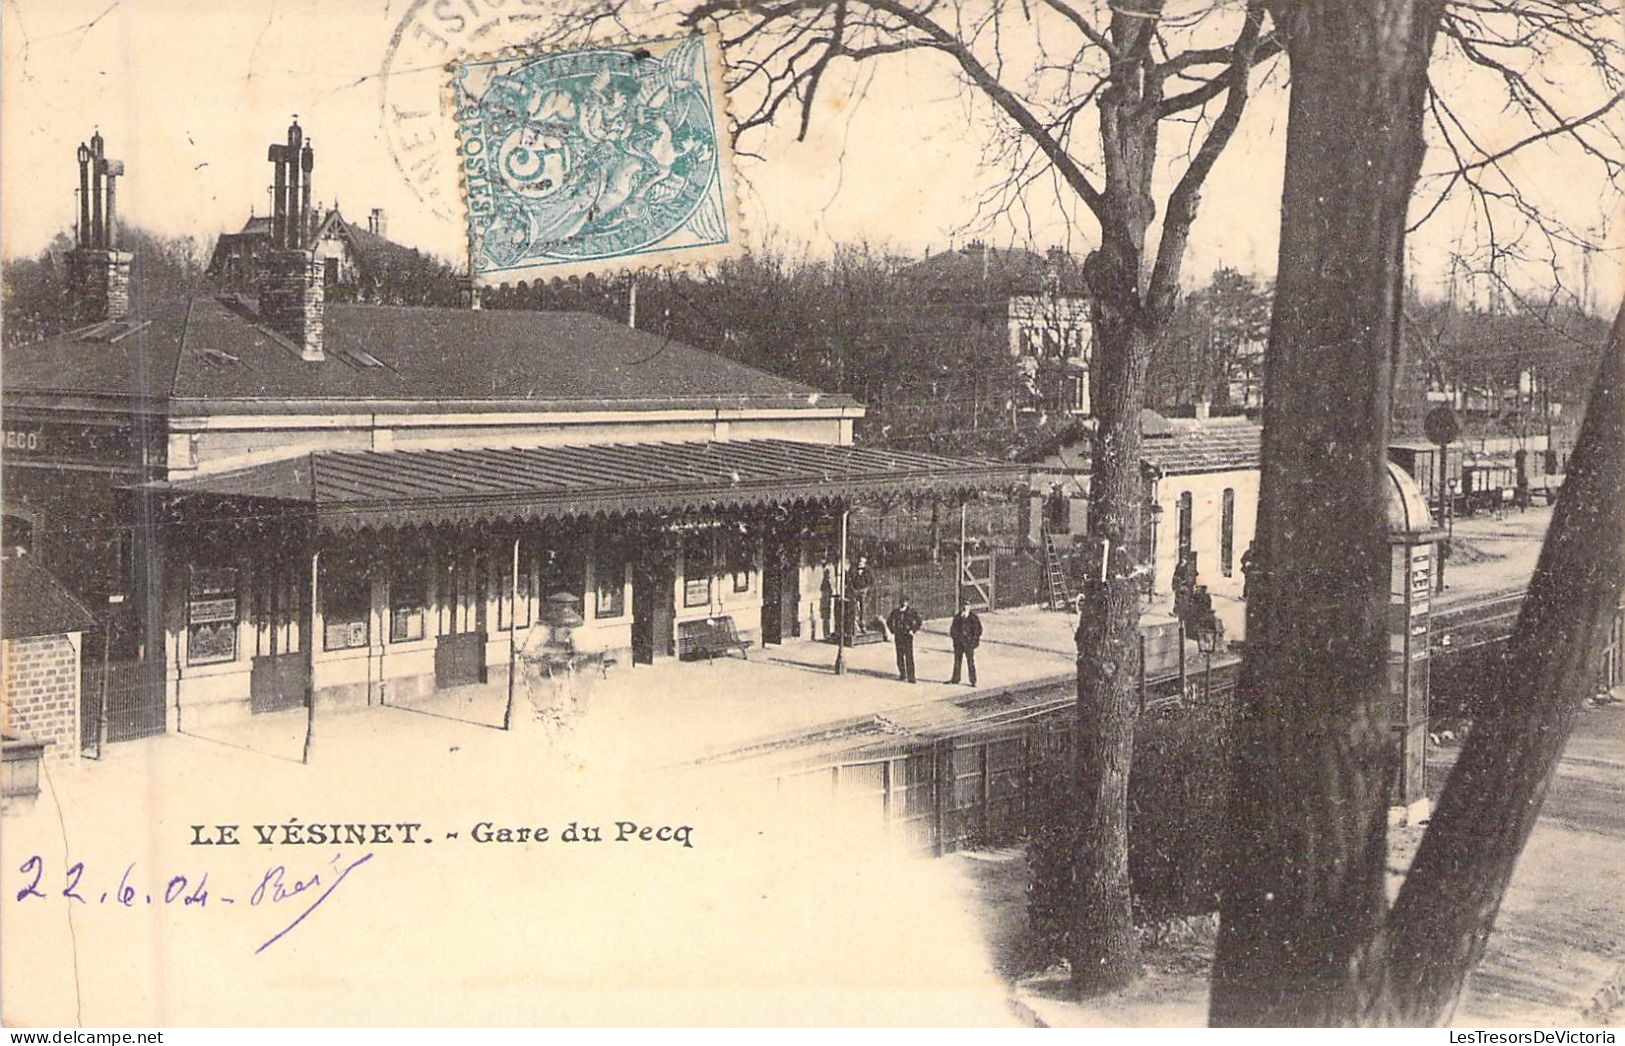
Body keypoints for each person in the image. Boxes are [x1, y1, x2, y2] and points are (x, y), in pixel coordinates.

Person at [886, 596, 922, 683]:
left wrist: (913, 630)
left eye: (905, 602)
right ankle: (902, 674)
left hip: (907, 636)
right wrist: (893, 630)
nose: (904, 603)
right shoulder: (895, 612)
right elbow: (889, 622)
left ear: (907, 603)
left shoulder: (911, 611)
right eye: (902, 601)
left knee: (909, 656)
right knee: (900, 656)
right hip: (899, 636)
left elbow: (919, 621)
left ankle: (911, 676)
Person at [948, 597, 983, 686]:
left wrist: (974, 642)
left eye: (967, 606)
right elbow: (953, 630)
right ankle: (955, 678)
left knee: (970, 662)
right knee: (957, 661)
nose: (965, 608)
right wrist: (955, 639)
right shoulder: (957, 617)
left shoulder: (973, 618)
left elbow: (978, 630)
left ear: (970, 607)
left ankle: (973, 680)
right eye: (964, 606)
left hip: (968, 643)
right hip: (959, 643)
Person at [848, 555, 875, 636]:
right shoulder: (853, 569)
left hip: (863, 591)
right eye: (860, 561)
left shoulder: (868, 571)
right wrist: (852, 589)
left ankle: (863, 626)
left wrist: (866, 589)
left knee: (863, 608)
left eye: (862, 562)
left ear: (865, 563)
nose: (860, 563)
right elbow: (849, 579)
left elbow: (872, 581)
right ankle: (854, 627)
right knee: (853, 607)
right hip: (855, 591)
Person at [818, 565, 834, 639]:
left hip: (826, 603)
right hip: (826, 603)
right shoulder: (826, 582)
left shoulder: (825, 582)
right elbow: (826, 592)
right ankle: (826, 633)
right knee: (826, 619)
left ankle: (826, 633)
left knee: (826, 619)